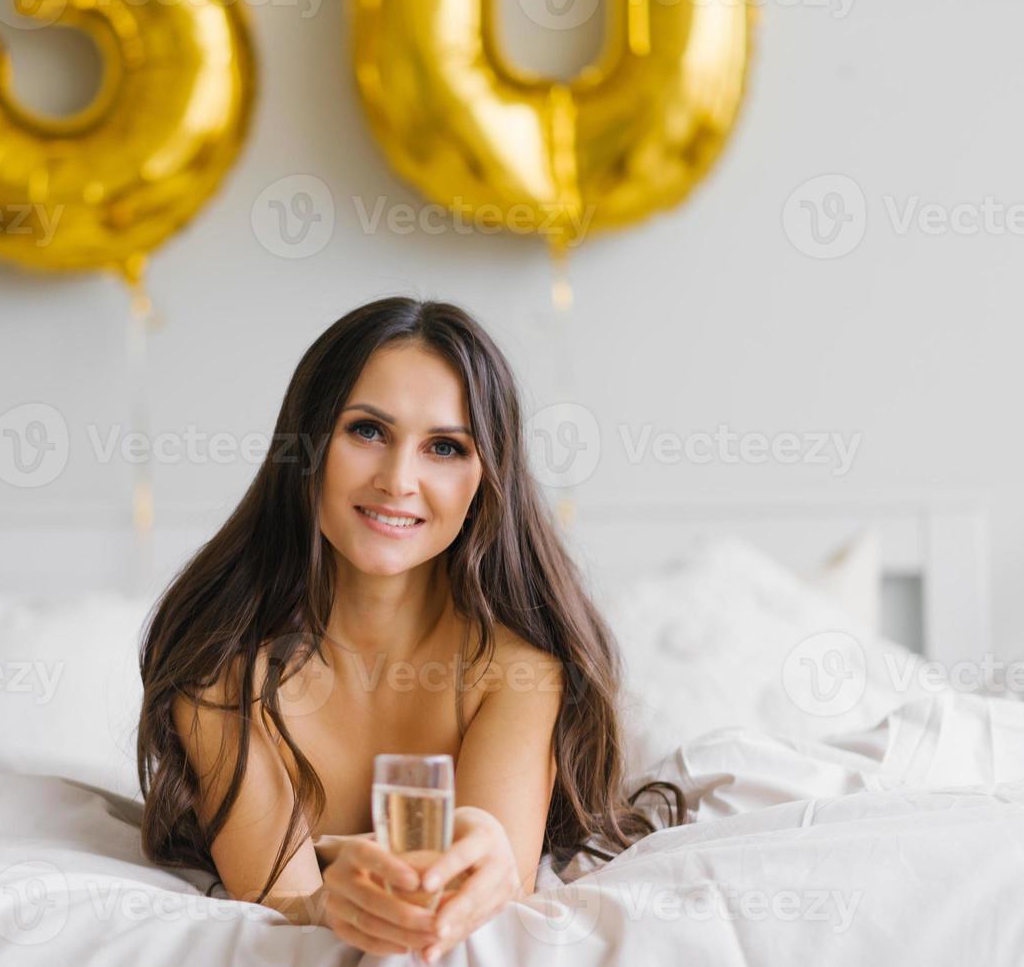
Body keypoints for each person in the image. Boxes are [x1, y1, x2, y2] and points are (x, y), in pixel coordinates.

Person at [137, 296, 685, 961]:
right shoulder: (221, 666)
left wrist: (484, 853)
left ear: (486, 478)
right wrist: (329, 902)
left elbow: (496, 879)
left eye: (445, 447)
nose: (399, 480)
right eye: (367, 431)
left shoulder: (517, 667)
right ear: (306, 446)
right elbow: (280, 901)